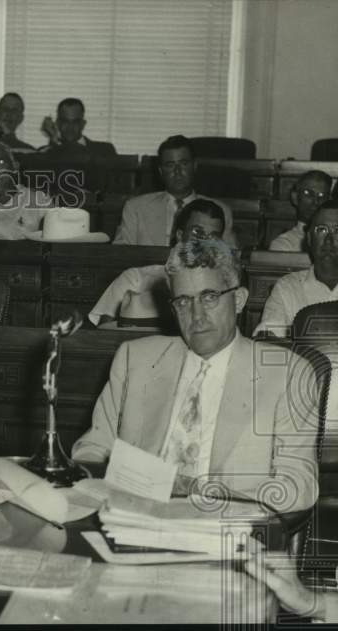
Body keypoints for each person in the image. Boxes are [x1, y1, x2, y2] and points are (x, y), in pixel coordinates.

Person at [72, 238, 318, 512]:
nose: (196, 316)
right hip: (132, 515)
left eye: (209, 297)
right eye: (183, 301)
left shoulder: (287, 373)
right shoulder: (135, 359)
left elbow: (299, 485)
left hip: (222, 527)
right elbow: (92, 448)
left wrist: (209, 494)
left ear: (238, 300)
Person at [89, 199, 225, 328]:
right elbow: (105, 332)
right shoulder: (136, 279)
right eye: (197, 232)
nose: (204, 243)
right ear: (179, 236)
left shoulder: (225, 287)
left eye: (214, 237)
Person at [113, 135, 233, 246]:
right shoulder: (135, 208)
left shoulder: (220, 210)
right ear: (161, 171)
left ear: (195, 166)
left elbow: (229, 261)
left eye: (184, 164)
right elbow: (122, 255)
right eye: (170, 165)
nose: (178, 172)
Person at [256, 201, 338, 338]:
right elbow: (269, 340)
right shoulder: (288, 287)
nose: (329, 240)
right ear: (310, 239)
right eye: (321, 230)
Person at [269, 170, 334, 252]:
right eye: (308, 194)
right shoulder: (283, 245)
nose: (315, 201)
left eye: (322, 196)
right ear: (295, 198)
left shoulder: (334, 239)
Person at [38, 98, 117, 159]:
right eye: (65, 122)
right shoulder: (45, 151)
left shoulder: (105, 150)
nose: (70, 127)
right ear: (58, 123)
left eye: (75, 122)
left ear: (83, 124)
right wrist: (53, 139)